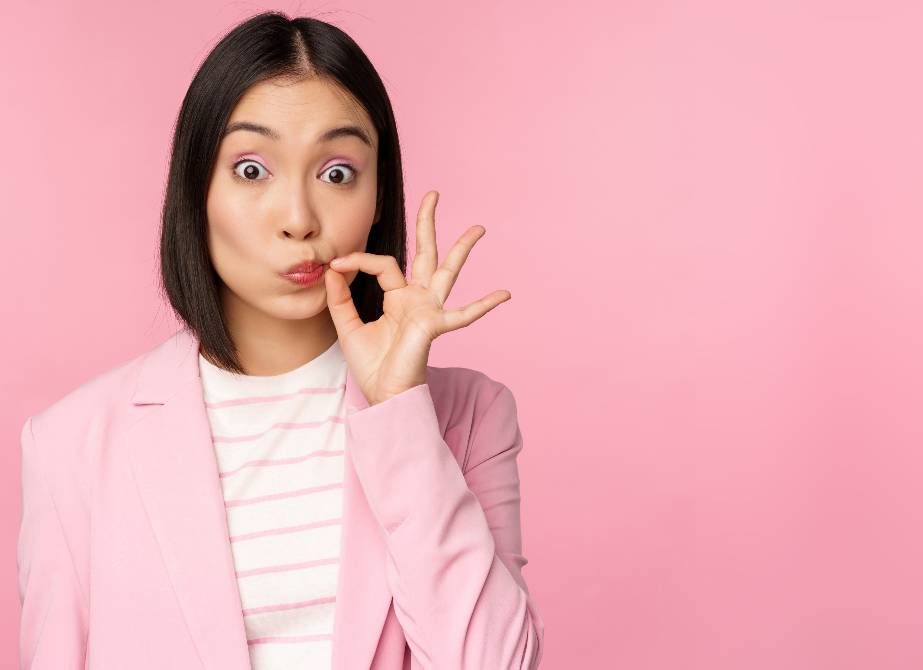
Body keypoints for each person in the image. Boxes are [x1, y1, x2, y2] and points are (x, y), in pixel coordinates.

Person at [15, 11, 544, 670]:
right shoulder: (70, 445)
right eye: (252, 170)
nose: (298, 219)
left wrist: (399, 412)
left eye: (337, 173)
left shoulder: (469, 417)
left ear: (379, 195)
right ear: (195, 188)